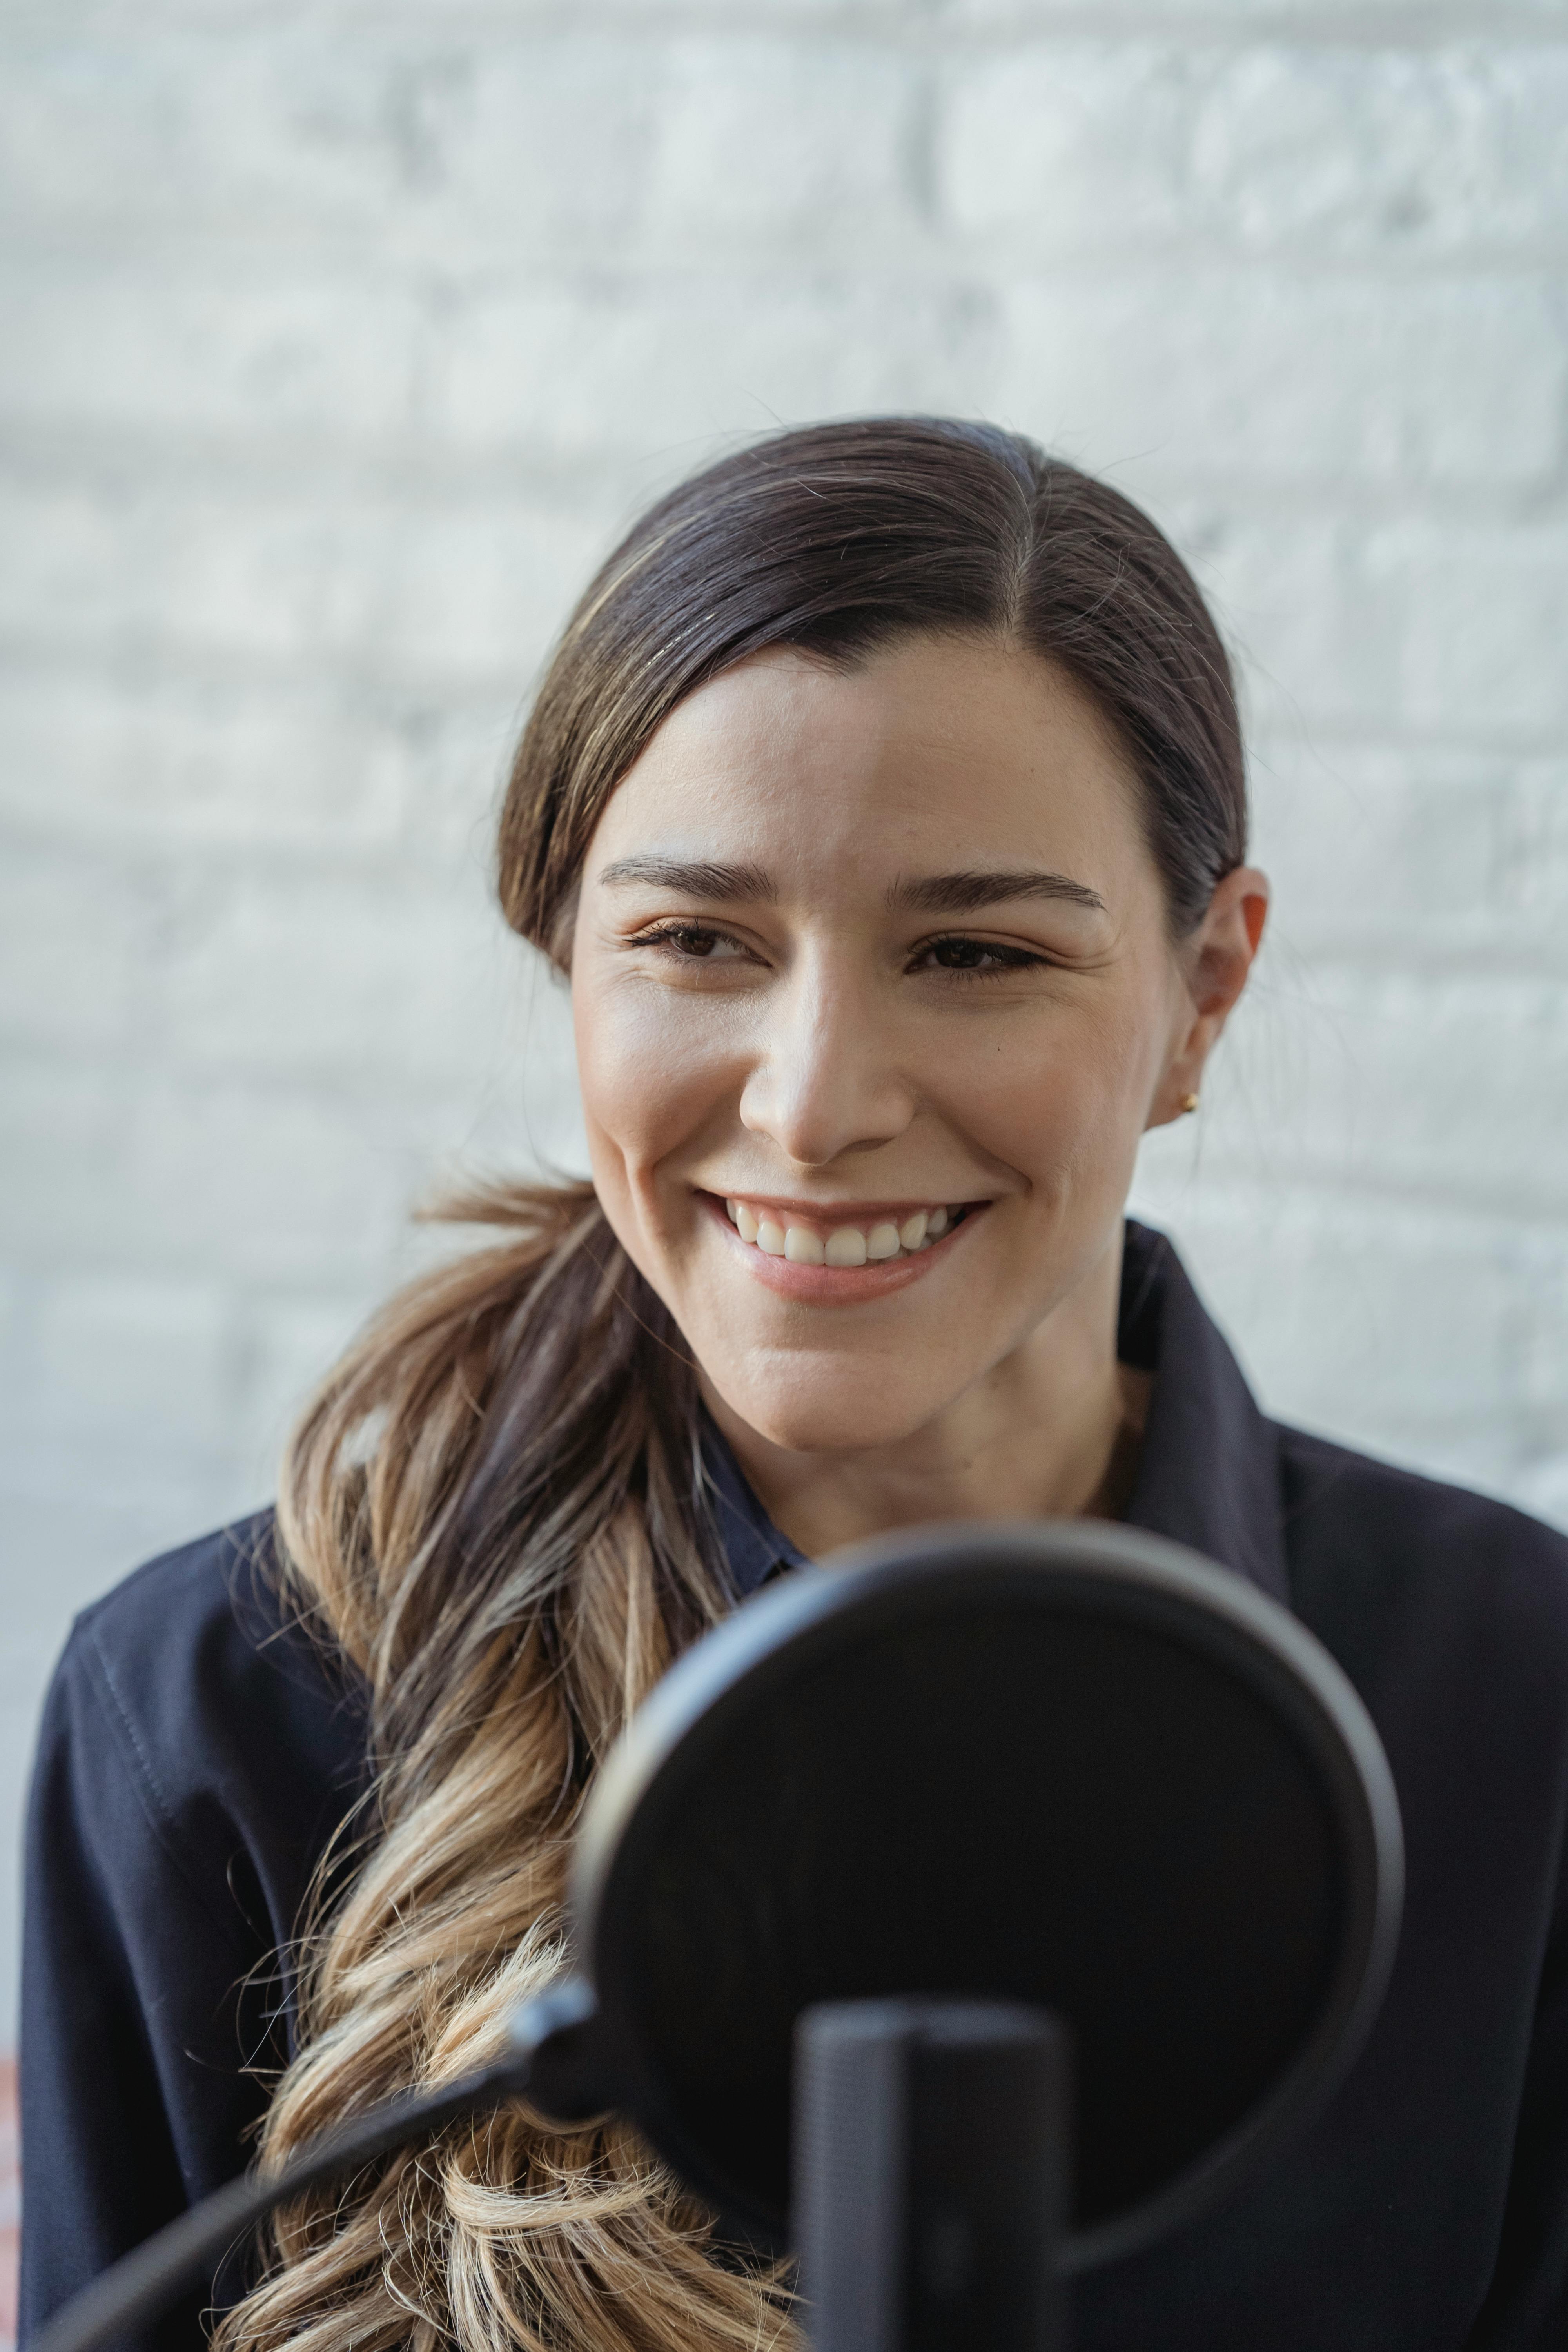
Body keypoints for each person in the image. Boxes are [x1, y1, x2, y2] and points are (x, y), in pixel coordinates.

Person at [19, 419, 1568, 2352]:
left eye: (977, 951)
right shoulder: (214, 1718)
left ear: (1203, 997)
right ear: (565, 962)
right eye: (692, 942)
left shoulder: (1522, 1700)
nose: (816, 1103)